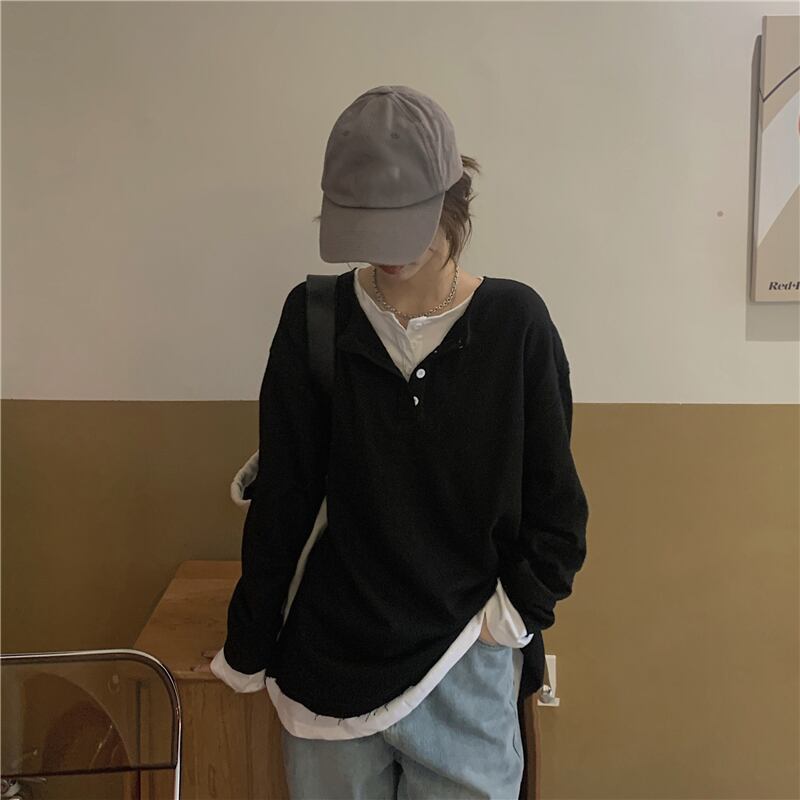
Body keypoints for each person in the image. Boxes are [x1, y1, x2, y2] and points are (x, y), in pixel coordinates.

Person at [197, 85, 589, 799]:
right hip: (328, 673)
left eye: (402, 225)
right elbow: (285, 499)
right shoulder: (316, 319)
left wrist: (508, 620)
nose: (385, 252)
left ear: (453, 200)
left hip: (465, 662)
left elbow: (555, 507)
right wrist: (247, 645)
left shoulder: (515, 325)